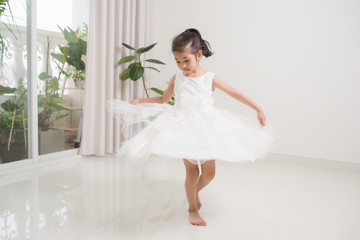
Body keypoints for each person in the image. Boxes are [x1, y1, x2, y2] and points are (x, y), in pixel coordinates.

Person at [106, 28, 277, 227]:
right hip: (183, 127)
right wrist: (141, 100)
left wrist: (257, 108)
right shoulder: (176, 79)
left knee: (210, 174)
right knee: (192, 172)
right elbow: (163, 99)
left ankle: (193, 193)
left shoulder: (209, 77)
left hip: (206, 128)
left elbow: (232, 92)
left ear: (199, 55)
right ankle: (192, 208)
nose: (182, 66)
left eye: (186, 60)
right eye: (178, 62)